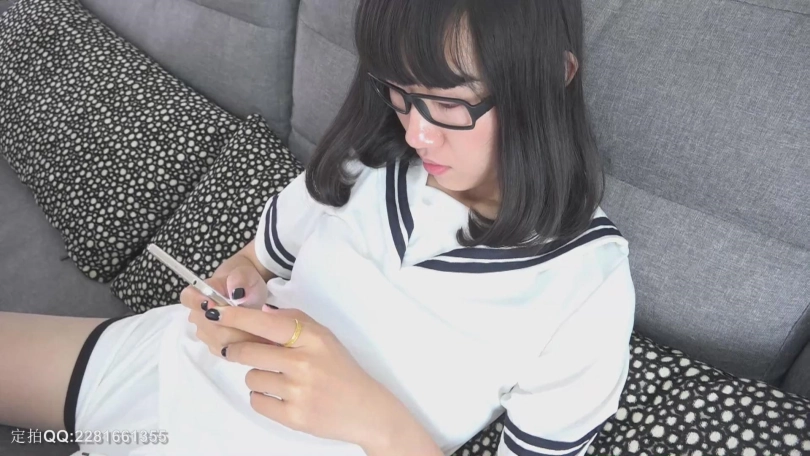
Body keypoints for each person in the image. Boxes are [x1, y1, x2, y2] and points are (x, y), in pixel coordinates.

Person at [0, 0, 636, 455]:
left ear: (554, 75)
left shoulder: (587, 285)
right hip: (165, 362)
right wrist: (236, 289)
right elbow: (256, 261)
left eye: (449, 102)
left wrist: (374, 420)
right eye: (400, 92)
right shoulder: (370, 160)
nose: (418, 132)